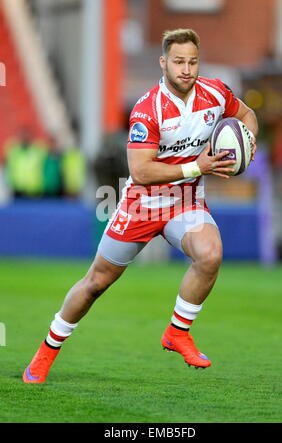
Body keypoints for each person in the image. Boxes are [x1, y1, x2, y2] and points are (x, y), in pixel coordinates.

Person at [23, 28, 258, 383]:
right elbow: (141, 171)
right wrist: (199, 166)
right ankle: (45, 352)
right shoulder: (147, 109)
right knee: (95, 284)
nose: (187, 69)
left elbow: (247, 116)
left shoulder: (215, 93)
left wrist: (246, 149)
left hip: (185, 201)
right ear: (164, 63)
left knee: (210, 254)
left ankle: (177, 331)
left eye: (193, 61)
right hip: (142, 203)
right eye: (179, 61)